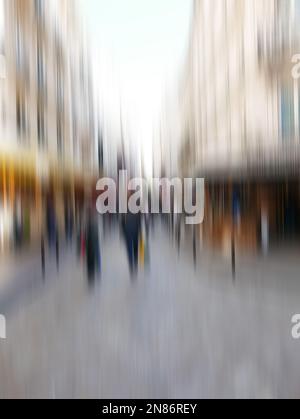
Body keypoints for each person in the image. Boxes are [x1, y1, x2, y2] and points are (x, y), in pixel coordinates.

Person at [121, 212, 142, 276]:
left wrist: (123, 233)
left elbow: (122, 223)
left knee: (130, 249)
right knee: (135, 248)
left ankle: (131, 266)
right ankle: (135, 264)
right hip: (135, 232)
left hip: (128, 232)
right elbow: (139, 222)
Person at [85, 210, 101, 284]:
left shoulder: (90, 222)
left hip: (90, 243)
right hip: (92, 243)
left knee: (91, 259)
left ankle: (91, 274)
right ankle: (94, 271)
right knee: (93, 257)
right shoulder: (94, 221)